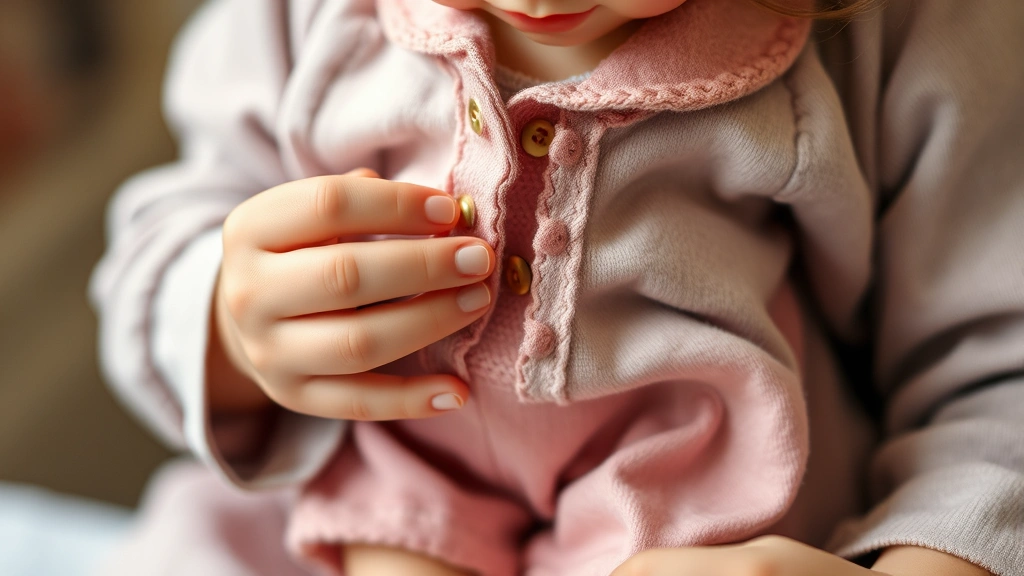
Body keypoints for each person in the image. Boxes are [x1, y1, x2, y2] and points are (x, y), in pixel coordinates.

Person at [90, 0, 1024, 574]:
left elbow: (998, 375)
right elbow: (160, 242)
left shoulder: (893, 36)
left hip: (717, 533)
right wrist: (229, 324)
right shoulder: (293, 23)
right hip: (344, 517)